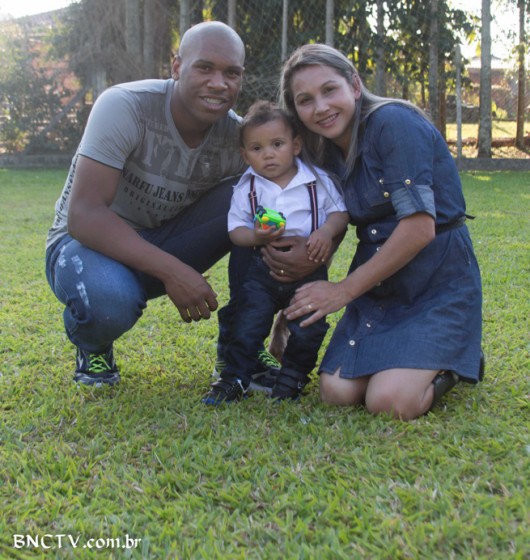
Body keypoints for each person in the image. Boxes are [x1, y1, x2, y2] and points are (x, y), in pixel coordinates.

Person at [45, 21, 276, 388]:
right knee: (109, 303)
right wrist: (175, 272)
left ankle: (239, 348)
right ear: (177, 66)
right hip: (85, 245)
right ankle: (94, 345)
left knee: (257, 197)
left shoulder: (238, 138)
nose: (219, 83)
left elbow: (288, 193)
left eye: (231, 73)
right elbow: (84, 215)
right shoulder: (126, 105)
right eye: (205, 68)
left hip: (164, 239)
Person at [261, 43, 483, 420]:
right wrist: (291, 311)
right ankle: (411, 360)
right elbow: (330, 233)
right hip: (380, 280)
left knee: (390, 401)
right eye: (305, 100)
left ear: (354, 85)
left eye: (329, 90)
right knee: (335, 391)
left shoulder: (393, 122)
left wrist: (342, 291)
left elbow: (419, 229)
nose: (321, 107)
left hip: (437, 275)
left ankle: (459, 360)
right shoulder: (322, 152)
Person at [202, 101, 348, 405]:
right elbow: (236, 230)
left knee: (309, 326)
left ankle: (292, 378)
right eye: (257, 148)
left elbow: (339, 214)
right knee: (247, 323)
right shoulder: (247, 188)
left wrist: (325, 232)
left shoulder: (316, 181)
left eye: (277, 144)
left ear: (296, 146)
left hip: (309, 270)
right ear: (245, 155)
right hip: (262, 270)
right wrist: (255, 235)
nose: (268, 154)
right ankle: (234, 379)